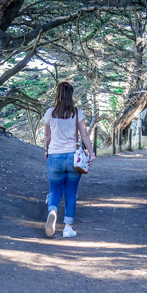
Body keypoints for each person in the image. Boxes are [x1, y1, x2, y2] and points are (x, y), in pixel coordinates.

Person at [43, 82, 95, 238]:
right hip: (73, 158)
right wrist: (91, 153)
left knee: (55, 189)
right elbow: (84, 135)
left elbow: (47, 136)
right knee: (71, 192)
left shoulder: (50, 113)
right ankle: (67, 228)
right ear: (71, 95)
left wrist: (47, 151)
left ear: (57, 94)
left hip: (54, 157)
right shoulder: (77, 113)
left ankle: (52, 211)